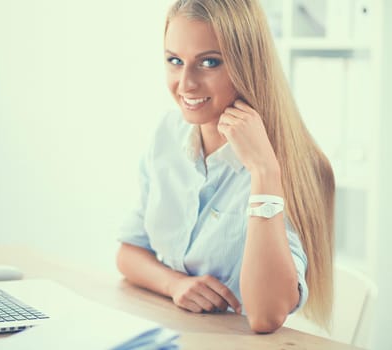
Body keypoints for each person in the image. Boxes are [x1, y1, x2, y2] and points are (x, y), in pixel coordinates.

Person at [116, 0, 335, 334]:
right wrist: (175, 285)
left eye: (209, 62)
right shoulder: (167, 135)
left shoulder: (293, 164)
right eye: (175, 61)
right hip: (172, 333)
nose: (186, 84)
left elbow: (266, 316)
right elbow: (129, 253)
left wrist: (264, 173)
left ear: (247, 64)